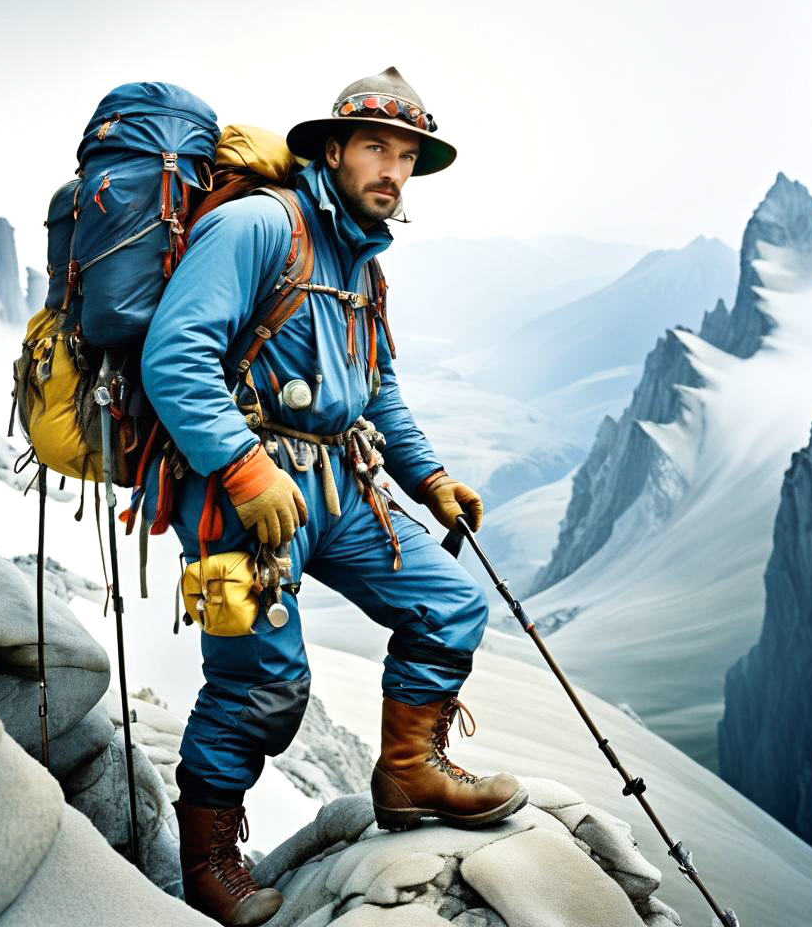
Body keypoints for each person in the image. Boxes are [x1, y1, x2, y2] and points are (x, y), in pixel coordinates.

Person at [141, 67, 527, 926]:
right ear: (335, 149)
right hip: (243, 489)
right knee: (262, 686)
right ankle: (205, 860)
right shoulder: (258, 226)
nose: (393, 169)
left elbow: (377, 387)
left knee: (450, 603)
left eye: (407, 155)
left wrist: (428, 479)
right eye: (377, 148)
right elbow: (174, 358)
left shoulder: (362, 259)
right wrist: (242, 469)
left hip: (336, 482)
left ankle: (408, 772)